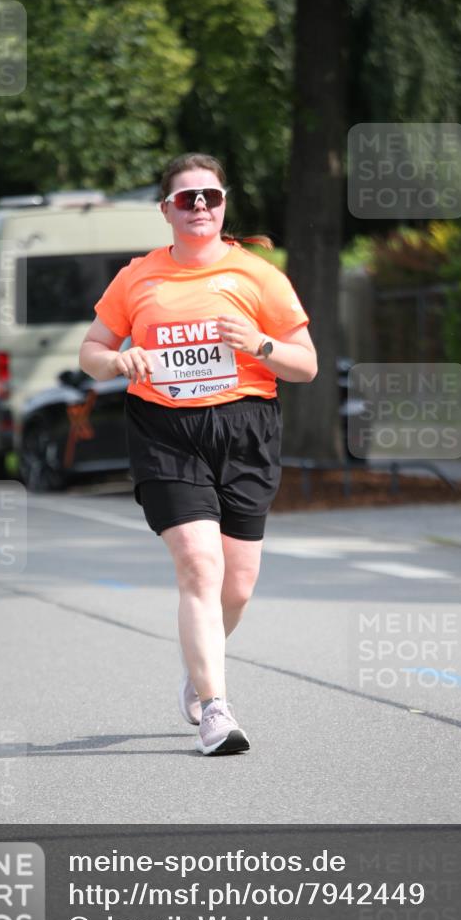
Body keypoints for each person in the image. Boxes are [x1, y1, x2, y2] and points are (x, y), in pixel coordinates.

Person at [79, 153, 317, 756]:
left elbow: (306, 365)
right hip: (165, 429)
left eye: (211, 196)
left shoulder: (257, 276)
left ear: (225, 204)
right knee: (199, 565)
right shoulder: (138, 277)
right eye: (187, 199)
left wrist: (259, 343)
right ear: (167, 210)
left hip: (245, 429)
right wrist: (117, 360)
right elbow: (92, 350)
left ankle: (199, 665)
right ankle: (216, 708)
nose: (201, 206)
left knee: (238, 584)